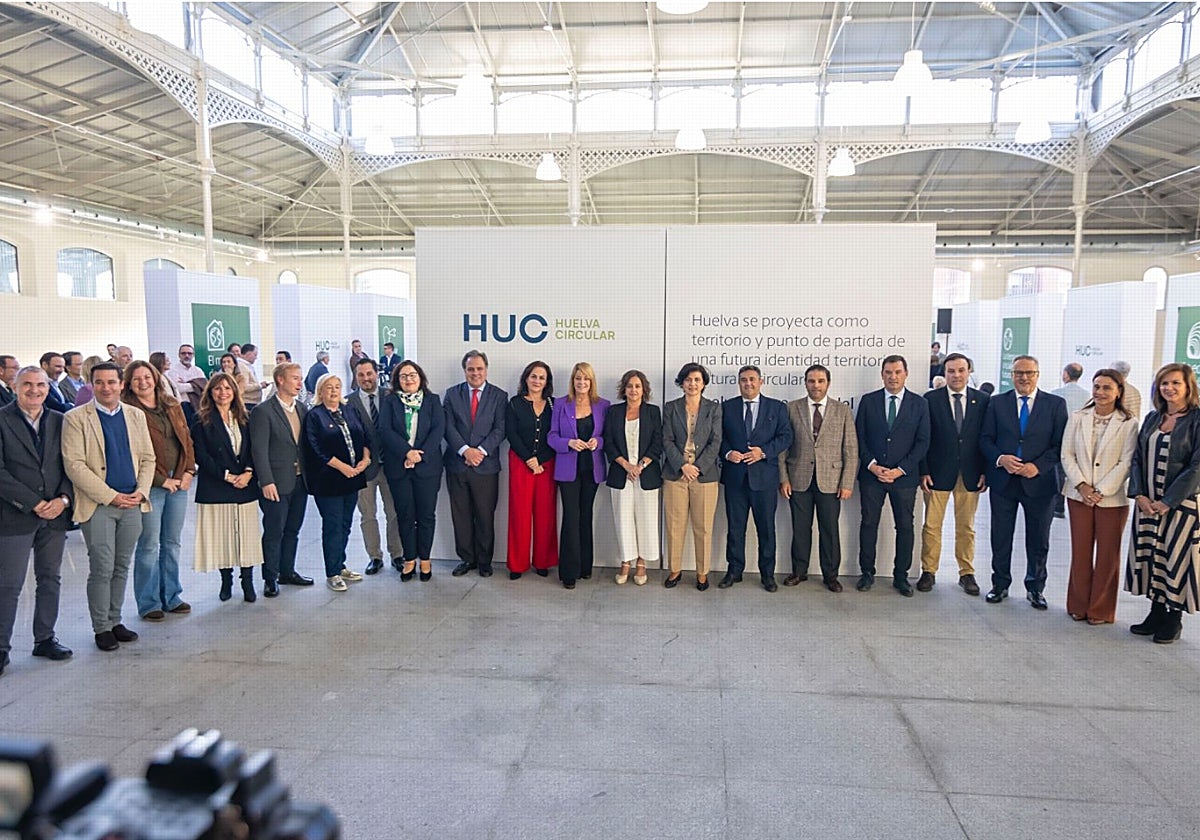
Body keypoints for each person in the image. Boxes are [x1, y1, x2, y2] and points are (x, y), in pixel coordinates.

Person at [61, 362, 156, 651]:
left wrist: (141, 491)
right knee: (102, 567)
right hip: (99, 505)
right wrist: (111, 496)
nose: (106, 388)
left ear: (121, 384)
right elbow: (74, 465)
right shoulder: (76, 418)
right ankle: (101, 627)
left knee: (121, 566)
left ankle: (115, 620)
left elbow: (148, 458)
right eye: (99, 382)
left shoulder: (135, 415)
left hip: (132, 503)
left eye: (112, 382)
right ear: (91, 385)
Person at [0, 367, 74, 675]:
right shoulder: (2, 420)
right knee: (8, 585)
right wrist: (35, 503)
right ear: (15, 387)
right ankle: (1, 648)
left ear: (47, 388)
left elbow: (71, 465)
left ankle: (45, 638)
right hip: (14, 516)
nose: (34, 390)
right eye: (27, 384)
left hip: (55, 516)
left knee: (50, 579)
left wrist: (63, 500)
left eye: (40, 384)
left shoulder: (60, 420)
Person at [980, 354, 1069, 609]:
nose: (1024, 378)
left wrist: (1037, 466)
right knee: (1000, 537)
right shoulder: (997, 403)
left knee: (1038, 539)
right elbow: (985, 439)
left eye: (1029, 373)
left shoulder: (1055, 405)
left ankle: (1036, 588)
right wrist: (1000, 459)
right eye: (1019, 373)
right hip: (1003, 482)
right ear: (1012, 375)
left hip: (1039, 484)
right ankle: (1000, 585)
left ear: (1038, 375)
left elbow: (1060, 444)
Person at [1126, 363, 1200, 644]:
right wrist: (1140, 495)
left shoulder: (1196, 419)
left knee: (1177, 561)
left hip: (1181, 507)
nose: (1169, 388)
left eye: (1176, 383)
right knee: (1152, 556)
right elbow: (1137, 458)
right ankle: (1155, 612)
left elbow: (1197, 466)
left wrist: (1168, 501)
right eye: (1164, 383)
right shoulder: (1152, 418)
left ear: (1188, 387)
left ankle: (1173, 618)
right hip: (1148, 504)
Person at [1061, 368, 1138, 625]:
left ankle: (1101, 610)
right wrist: (1082, 486)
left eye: (1107, 388)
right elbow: (1066, 454)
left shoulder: (1129, 424)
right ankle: (1078, 605)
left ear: (1118, 392)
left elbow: (1126, 462)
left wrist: (1100, 491)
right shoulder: (1078, 417)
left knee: (1107, 555)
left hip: (1112, 499)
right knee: (1080, 552)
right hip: (1078, 495)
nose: (1100, 392)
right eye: (1096, 387)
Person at [121, 361, 195, 621]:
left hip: (180, 483)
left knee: (172, 543)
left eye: (147, 377)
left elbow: (186, 439)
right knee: (149, 545)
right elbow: (130, 455)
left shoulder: (172, 404)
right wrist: (161, 481)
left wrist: (189, 472)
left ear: (155, 378)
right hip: (150, 487)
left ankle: (172, 596)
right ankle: (149, 602)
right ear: (129, 383)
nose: (143, 382)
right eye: (136, 378)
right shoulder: (127, 410)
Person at [855, 355, 930, 596]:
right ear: (882, 374)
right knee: (868, 524)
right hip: (872, 477)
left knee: (905, 526)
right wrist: (872, 465)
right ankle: (867, 573)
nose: (893, 376)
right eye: (888, 372)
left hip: (904, 479)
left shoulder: (919, 404)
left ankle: (901, 576)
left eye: (897, 372)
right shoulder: (868, 401)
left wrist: (900, 469)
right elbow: (860, 437)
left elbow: (923, 442)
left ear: (906, 374)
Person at [779, 364, 857, 592]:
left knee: (830, 530)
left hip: (831, 482)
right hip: (798, 479)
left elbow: (851, 449)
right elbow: (783, 448)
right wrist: (783, 478)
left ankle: (831, 575)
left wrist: (846, 482)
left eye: (820, 381)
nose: (816, 385)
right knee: (800, 528)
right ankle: (799, 571)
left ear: (828, 383)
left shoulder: (842, 410)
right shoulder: (791, 409)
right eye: (811, 381)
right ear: (805, 383)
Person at [918, 353, 990, 596]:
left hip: (970, 474)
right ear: (944, 373)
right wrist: (923, 470)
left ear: (969, 371)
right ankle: (929, 571)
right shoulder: (930, 399)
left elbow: (986, 439)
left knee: (966, 527)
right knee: (932, 526)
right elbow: (924, 438)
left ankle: (966, 572)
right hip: (937, 473)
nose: (956, 375)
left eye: (961, 370)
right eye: (951, 371)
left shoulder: (983, 401)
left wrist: (985, 471)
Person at [719, 365, 793, 592]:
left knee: (766, 530)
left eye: (752, 379)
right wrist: (728, 452)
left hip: (765, 479)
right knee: (735, 528)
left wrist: (763, 452)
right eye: (743, 380)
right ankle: (734, 571)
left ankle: (767, 575)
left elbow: (786, 436)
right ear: (739, 383)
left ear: (761, 381)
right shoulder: (727, 407)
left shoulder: (777, 408)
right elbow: (718, 437)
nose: (748, 384)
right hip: (735, 479)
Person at [190, 372, 263, 602]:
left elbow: (254, 448)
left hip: (245, 484)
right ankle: (226, 581)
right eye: (218, 389)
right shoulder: (201, 420)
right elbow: (201, 454)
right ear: (210, 393)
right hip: (217, 485)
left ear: (235, 392)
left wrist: (249, 473)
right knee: (223, 537)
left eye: (227, 388)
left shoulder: (246, 417)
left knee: (247, 536)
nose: (223, 393)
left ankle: (248, 581)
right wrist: (228, 476)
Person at [248, 362, 314, 597]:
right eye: (295, 378)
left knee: (293, 529)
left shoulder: (302, 409)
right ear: (280, 381)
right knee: (274, 530)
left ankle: (288, 571)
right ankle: (270, 577)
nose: (300, 383)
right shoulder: (263, 411)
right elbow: (259, 450)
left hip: (300, 480)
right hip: (275, 482)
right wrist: (266, 481)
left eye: (300, 378)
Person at [303, 373, 371, 592]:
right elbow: (315, 449)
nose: (334, 391)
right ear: (320, 391)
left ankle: (340, 565)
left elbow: (364, 437)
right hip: (329, 480)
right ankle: (332, 572)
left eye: (337, 386)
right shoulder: (315, 416)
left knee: (345, 524)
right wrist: (343, 467)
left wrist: (365, 459)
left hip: (353, 477)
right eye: (329, 387)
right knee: (332, 525)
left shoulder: (349, 411)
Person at [443, 350, 508, 578]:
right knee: (460, 515)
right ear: (465, 371)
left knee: (484, 515)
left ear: (486, 370)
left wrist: (479, 451)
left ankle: (484, 561)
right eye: (471, 369)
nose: (475, 373)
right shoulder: (452, 394)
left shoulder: (499, 396)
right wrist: (464, 451)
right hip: (457, 465)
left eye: (479, 368)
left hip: (486, 466)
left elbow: (501, 429)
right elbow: (448, 427)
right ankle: (466, 558)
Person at [380, 361, 445, 582]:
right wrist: (407, 452)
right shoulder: (389, 402)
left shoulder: (433, 401)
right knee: (405, 515)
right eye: (404, 376)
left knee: (426, 515)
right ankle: (409, 560)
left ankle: (425, 560)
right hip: (399, 467)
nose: (409, 379)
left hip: (428, 467)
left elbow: (438, 430)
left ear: (421, 378)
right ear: (398, 379)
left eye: (413, 375)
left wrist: (420, 454)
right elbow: (385, 431)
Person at [661, 363, 722, 591]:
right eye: (688, 380)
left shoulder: (714, 409)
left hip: (704, 476)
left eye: (697, 379)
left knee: (703, 527)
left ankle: (702, 573)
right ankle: (675, 570)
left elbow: (716, 442)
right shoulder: (671, 407)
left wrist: (696, 467)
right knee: (675, 526)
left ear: (703, 383)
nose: (692, 384)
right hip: (676, 475)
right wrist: (683, 466)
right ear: (682, 383)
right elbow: (666, 439)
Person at [550, 362, 609, 590]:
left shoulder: (603, 405)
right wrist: (569, 443)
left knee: (586, 516)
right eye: (578, 378)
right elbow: (551, 436)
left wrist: (598, 442)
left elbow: (607, 435)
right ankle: (569, 572)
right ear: (573, 381)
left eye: (586, 379)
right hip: (568, 470)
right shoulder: (560, 404)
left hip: (591, 469)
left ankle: (586, 567)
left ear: (591, 381)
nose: (582, 383)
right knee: (571, 518)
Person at [604, 370, 663, 587]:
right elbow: (608, 441)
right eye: (630, 386)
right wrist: (626, 465)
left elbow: (658, 442)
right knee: (623, 518)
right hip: (621, 474)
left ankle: (641, 562)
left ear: (644, 389)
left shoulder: (653, 412)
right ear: (624, 389)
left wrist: (640, 465)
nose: (633, 390)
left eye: (638, 386)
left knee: (646, 519)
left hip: (646, 475)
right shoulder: (614, 412)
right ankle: (625, 562)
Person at [346, 358, 402, 575]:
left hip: (391, 466)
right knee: (368, 514)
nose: (365, 378)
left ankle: (397, 553)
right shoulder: (348, 403)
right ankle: (374, 556)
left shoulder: (391, 397)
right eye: (361, 375)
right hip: (364, 468)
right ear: (356, 376)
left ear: (376, 373)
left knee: (394, 512)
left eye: (369, 373)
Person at [505, 361, 558, 580]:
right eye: (533, 376)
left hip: (547, 464)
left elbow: (557, 433)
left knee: (546, 514)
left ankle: (543, 561)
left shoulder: (554, 404)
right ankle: (517, 564)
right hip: (520, 463)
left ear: (547, 382)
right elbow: (511, 433)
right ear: (526, 378)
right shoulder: (515, 403)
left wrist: (541, 459)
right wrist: (529, 459)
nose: (537, 381)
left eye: (542, 378)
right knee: (520, 514)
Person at [167, 345, 207, 413]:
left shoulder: (198, 370)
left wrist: (185, 383)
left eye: (189, 353)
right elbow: (177, 388)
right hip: (183, 406)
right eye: (183, 353)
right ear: (179, 355)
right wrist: (195, 384)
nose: (187, 356)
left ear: (193, 355)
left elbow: (204, 386)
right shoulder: (173, 371)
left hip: (199, 405)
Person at [238, 344, 264, 408]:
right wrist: (260, 385)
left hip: (251, 402)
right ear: (249, 354)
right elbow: (244, 387)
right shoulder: (242, 366)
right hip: (247, 402)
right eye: (255, 354)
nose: (256, 357)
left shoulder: (246, 366)